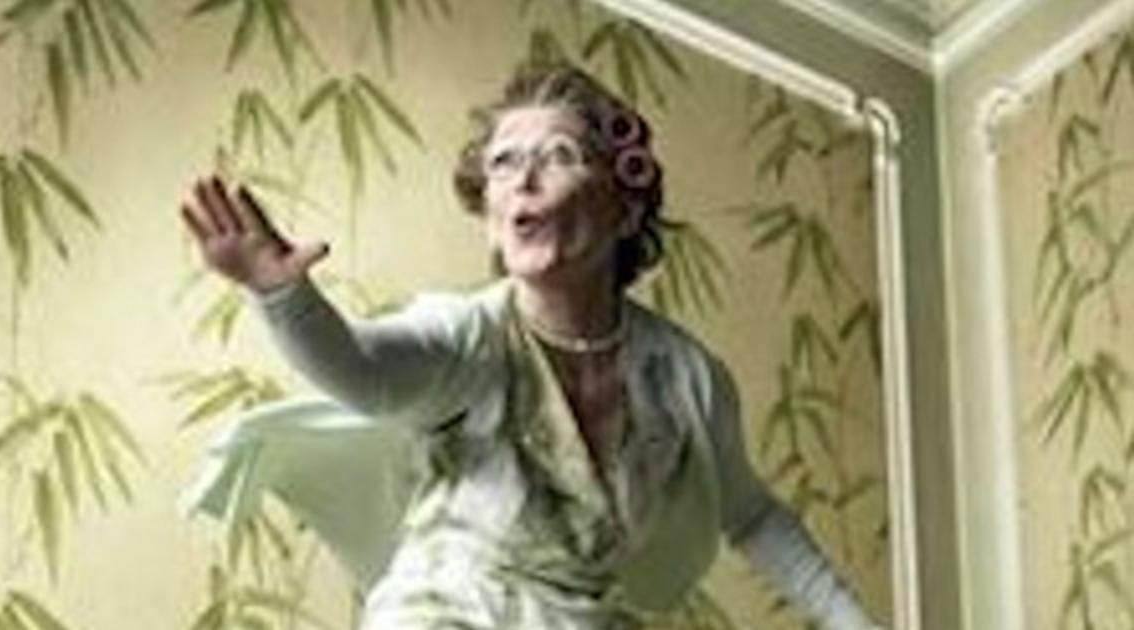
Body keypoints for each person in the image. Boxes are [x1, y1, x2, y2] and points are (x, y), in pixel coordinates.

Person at [180, 62, 883, 630]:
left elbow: (752, 516)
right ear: (491, 218)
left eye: (559, 156)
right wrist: (283, 296)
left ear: (624, 209)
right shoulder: (467, 335)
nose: (523, 177)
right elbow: (362, 372)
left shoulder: (686, 377)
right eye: (504, 163)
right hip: (445, 613)